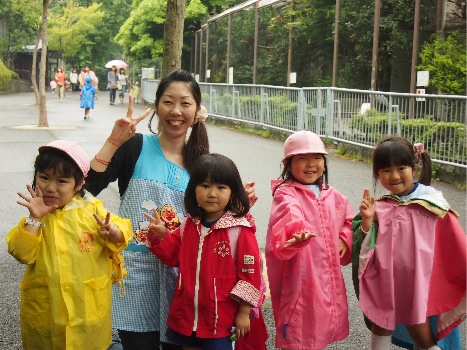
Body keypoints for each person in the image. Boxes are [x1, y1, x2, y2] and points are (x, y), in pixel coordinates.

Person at [85, 69, 257, 350]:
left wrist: (237, 206)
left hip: (186, 282)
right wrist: (114, 142)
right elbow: (88, 187)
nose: (176, 111)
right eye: (168, 101)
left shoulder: (202, 164)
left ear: (196, 110)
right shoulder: (135, 147)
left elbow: (213, 222)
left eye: (185, 103)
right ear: (156, 105)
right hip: (135, 275)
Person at [6, 140, 133, 350]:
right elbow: (21, 253)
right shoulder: (35, 220)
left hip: (87, 314)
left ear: (79, 184)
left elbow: (123, 230)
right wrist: (33, 219)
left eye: (61, 181)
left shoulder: (92, 210)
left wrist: (114, 232)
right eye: (44, 177)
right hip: (46, 316)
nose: (50, 187)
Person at [352, 136, 466, 350]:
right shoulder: (382, 206)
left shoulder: (433, 206)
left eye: (401, 168)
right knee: (381, 325)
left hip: (417, 283)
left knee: (420, 332)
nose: (394, 176)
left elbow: (453, 245)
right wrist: (367, 220)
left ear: (414, 168)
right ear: (378, 174)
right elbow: (364, 242)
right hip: (385, 280)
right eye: (385, 170)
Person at [144, 153, 262, 349]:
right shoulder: (189, 225)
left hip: (220, 319)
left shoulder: (240, 230)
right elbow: (173, 257)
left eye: (221, 187)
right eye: (205, 186)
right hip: (186, 315)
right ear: (194, 190)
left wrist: (243, 312)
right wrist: (162, 236)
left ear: (233, 192)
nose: (212, 193)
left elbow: (250, 275)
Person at [266, 130, 354, 349]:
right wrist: (297, 232)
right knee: (300, 326)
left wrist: (345, 238)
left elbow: (350, 219)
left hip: (327, 275)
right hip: (301, 275)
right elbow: (289, 214)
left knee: (322, 323)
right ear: (288, 164)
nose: (310, 164)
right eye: (302, 158)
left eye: (316, 157)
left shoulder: (333, 194)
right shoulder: (285, 194)